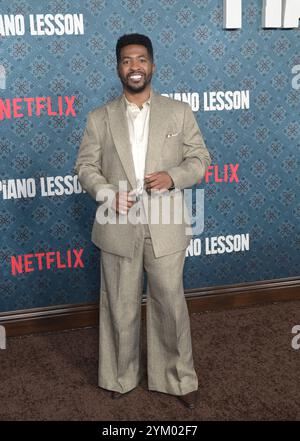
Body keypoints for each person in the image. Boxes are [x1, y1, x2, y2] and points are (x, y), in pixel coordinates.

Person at [75, 33, 211, 410]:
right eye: (126, 60)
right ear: (118, 67)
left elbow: (199, 159)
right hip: (115, 220)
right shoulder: (99, 118)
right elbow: (85, 167)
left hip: (165, 220)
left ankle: (177, 377)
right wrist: (105, 192)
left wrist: (173, 177)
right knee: (119, 304)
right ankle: (120, 376)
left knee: (170, 302)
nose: (134, 67)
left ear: (152, 65)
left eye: (140, 60)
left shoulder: (179, 111)